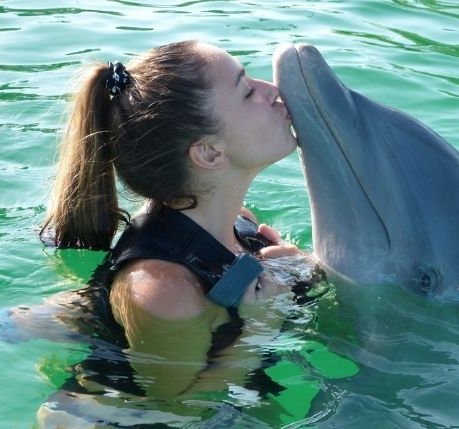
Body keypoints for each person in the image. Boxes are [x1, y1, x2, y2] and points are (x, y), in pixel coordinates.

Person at [40, 40, 302, 400]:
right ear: (209, 152)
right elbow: (179, 411)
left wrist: (298, 271)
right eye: (246, 91)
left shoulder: (239, 223)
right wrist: (259, 329)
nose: (272, 90)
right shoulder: (164, 290)